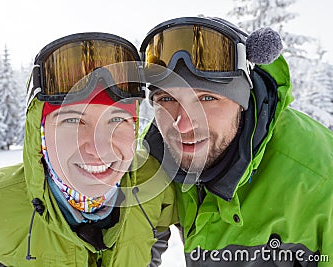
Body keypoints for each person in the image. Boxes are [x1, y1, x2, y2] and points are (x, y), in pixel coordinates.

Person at [0, 33, 177, 267]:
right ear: (41, 133)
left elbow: (156, 235)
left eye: (117, 119)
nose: (99, 148)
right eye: (73, 121)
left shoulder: (154, 187)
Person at [140, 16, 333, 266]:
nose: (182, 125)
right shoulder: (156, 157)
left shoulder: (320, 182)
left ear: (242, 102)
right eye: (166, 99)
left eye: (207, 99)